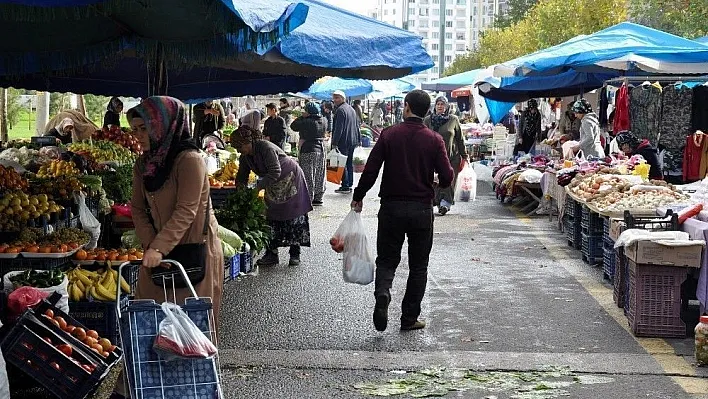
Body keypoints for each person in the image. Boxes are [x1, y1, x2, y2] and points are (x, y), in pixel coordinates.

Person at [351, 90, 454, 332]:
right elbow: (448, 177)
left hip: (391, 208)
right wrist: (437, 180)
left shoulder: (389, 134)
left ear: (406, 107)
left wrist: (358, 196)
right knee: (419, 266)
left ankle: (383, 292)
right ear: (427, 110)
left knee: (387, 259)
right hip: (421, 210)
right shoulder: (434, 140)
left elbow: (371, 170)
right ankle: (409, 318)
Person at [128, 96, 223, 323]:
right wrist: (152, 244)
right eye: (134, 130)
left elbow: (187, 210)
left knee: (192, 331)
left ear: (161, 126)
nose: (138, 136)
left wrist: (159, 248)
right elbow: (138, 208)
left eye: (143, 129)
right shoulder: (144, 165)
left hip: (193, 252)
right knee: (151, 327)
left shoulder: (189, 160)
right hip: (159, 255)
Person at [231, 126, 312, 267]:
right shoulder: (245, 156)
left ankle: (295, 253)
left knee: (293, 214)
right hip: (273, 182)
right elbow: (242, 176)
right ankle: (271, 254)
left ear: (247, 143)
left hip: (289, 177)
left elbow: (275, 171)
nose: (238, 151)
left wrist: (257, 188)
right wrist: (240, 190)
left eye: (239, 147)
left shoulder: (264, 147)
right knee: (271, 216)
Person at [423, 96, 468, 216]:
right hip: (432, 157)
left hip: (451, 156)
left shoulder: (453, 119)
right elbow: (421, 137)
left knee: (449, 180)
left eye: (442, 104)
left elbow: (460, 139)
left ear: (447, 106)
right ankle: (437, 201)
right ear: (434, 106)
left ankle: (445, 204)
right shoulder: (428, 120)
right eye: (438, 104)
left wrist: (464, 156)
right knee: (435, 181)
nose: (440, 106)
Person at [291, 102, 327, 206]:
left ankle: (308, 197)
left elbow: (293, 126)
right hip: (321, 149)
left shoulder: (306, 121)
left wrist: (302, 117)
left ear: (308, 112)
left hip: (308, 149)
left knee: (308, 174)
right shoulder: (323, 120)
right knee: (320, 173)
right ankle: (318, 196)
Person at [331, 90, 361, 194]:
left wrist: (334, 142)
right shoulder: (351, 109)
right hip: (352, 140)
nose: (335, 100)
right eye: (334, 98)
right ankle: (349, 184)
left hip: (343, 141)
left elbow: (339, 128)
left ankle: (345, 185)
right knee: (349, 163)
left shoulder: (340, 110)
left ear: (342, 98)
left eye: (337, 98)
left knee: (343, 163)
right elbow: (357, 125)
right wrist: (359, 139)